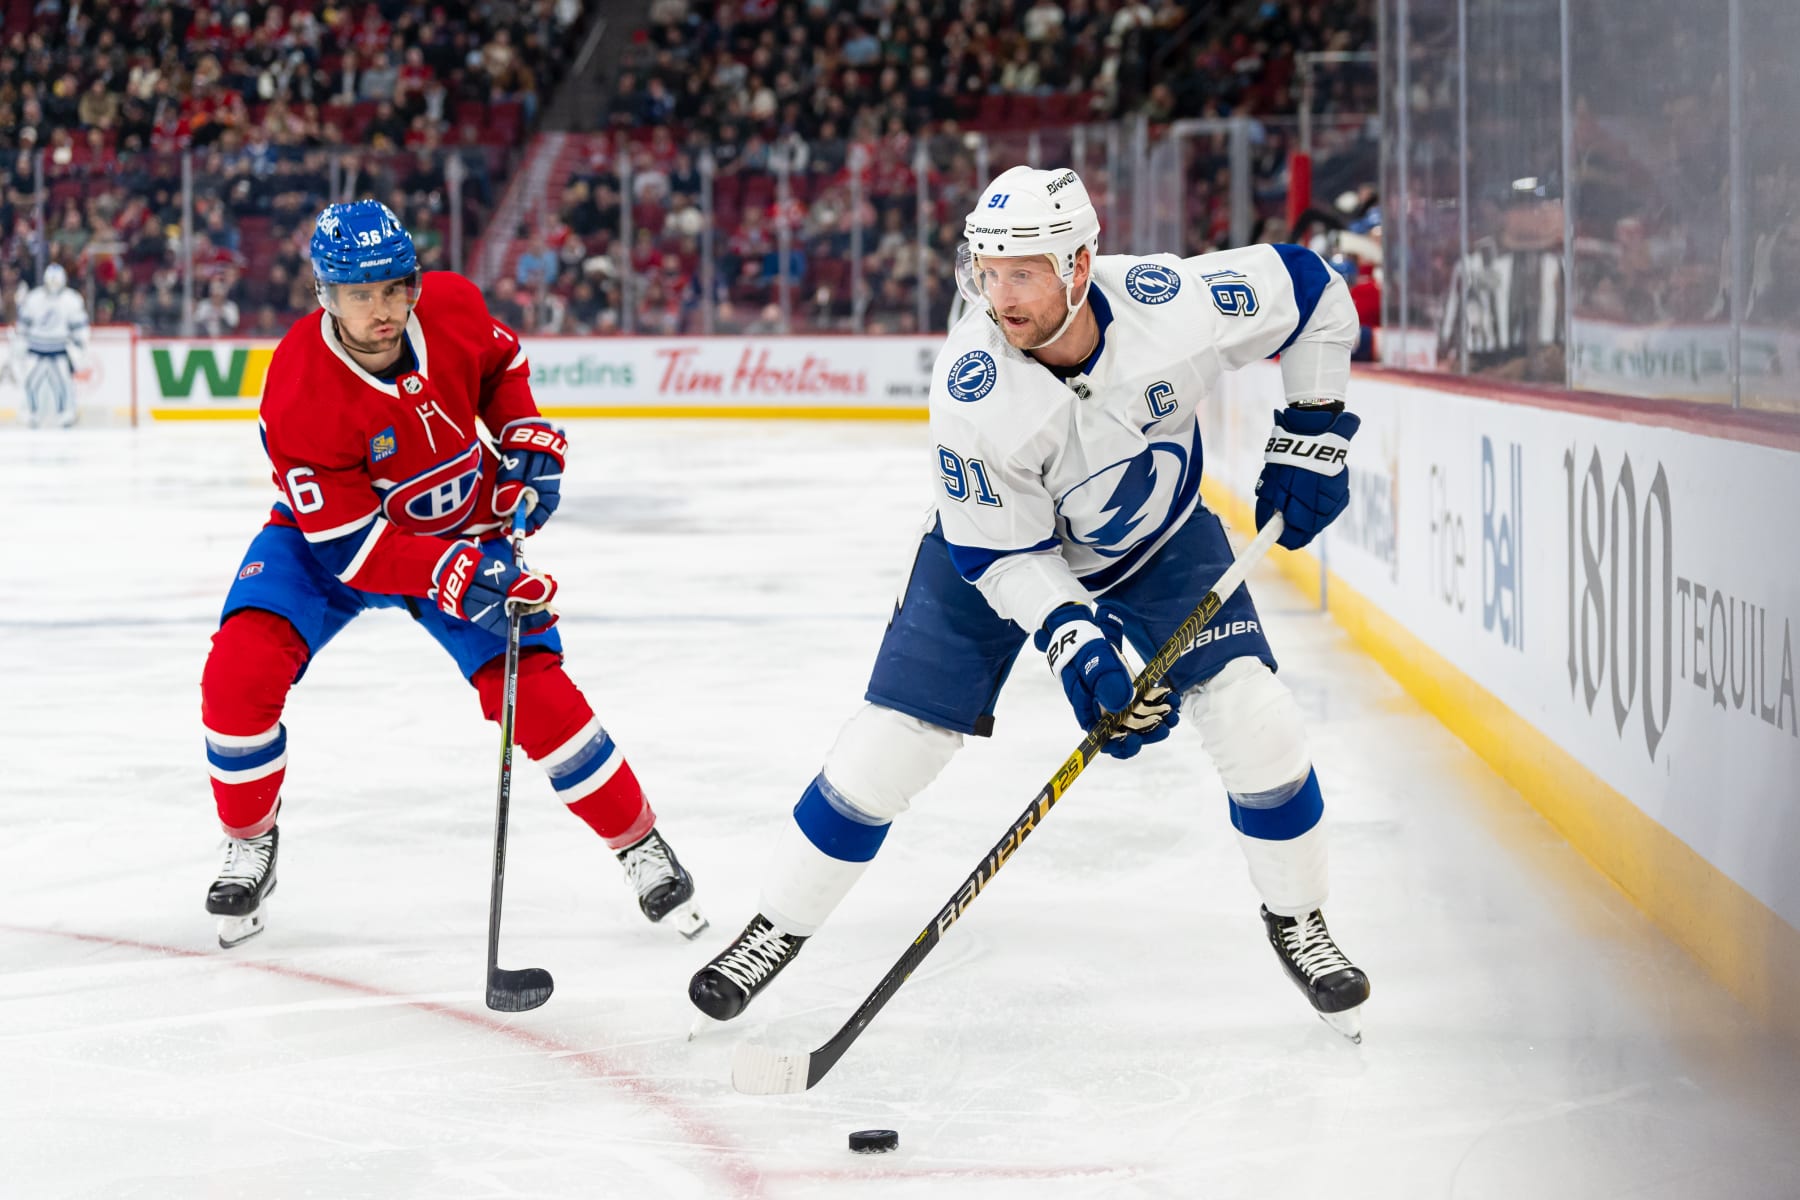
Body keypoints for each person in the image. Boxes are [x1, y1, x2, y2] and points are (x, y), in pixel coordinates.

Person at [688, 165, 1372, 1038]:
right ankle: (771, 928)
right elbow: (1003, 554)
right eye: (987, 269)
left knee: (1255, 715)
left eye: (1022, 272)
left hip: (1155, 543)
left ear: (1080, 266)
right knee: (885, 749)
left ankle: (1300, 919)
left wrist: (1316, 427)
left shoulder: (1175, 304)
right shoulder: (974, 390)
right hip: (990, 556)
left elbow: (1311, 289)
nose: (998, 294)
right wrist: (1077, 643)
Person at [199, 200, 706, 949]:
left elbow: (502, 365)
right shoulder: (298, 386)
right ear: (325, 296)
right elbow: (347, 548)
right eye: (360, 294)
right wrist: (446, 569)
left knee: (534, 690)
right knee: (237, 674)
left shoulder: (453, 305)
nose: (384, 308)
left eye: (395, 287)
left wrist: (519, 430)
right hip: (331, 546)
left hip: (461, 525)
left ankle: (638, 843)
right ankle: (249, 838)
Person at [10, 263, 89, 428]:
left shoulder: (71, 299)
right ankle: (30, 412)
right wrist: (20, 343)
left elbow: (79, 327)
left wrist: (80, 345)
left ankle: (66, 413)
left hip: (59, 349)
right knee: (30, 382)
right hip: (36, 348)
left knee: (63, 384)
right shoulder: (34, 298)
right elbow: (23, 326)